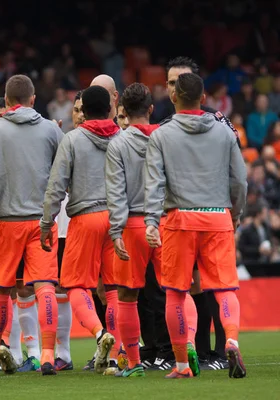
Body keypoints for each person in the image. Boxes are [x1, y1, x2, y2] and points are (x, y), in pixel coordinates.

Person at [144, 72, 247, 379]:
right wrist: (236, 214)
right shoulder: (225, 132)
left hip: (179, 219)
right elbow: (239, 180)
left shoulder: (161, 135)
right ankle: (230, 339)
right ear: (204, 98)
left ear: (173, 96)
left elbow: (154, 183)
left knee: (175, 292)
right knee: (225, 288)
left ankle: (181, 365)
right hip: (218, 216)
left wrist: (151, 221)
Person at [0, 75, 62, 376]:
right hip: (41, 221)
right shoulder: (50, 129)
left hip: (6, 222)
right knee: (45, 287)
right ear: (33, 99)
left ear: (6, 102)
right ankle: (48, 354)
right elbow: (61, 173)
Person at [105, 83, 198, 378]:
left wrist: (116, 230)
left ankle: (133, 364)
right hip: (167, 221)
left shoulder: (117, 144)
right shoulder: (167, 138)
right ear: (150, 108)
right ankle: (190, 346)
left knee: (127, 295)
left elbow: (116, 192)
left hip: (132, 223)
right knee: (179, 291)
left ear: (124, 112)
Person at [41, 85, 119, 375]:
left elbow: (56, 185)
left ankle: (100, 334)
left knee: (76, 285)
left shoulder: (73, 139)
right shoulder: (122, 138)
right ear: (111, 109)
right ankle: (115, 356)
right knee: (112, 289)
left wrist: (47, 221)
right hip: (117, 218)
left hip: (86, 217)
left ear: (83, 110)